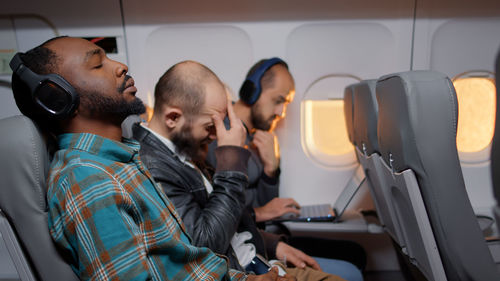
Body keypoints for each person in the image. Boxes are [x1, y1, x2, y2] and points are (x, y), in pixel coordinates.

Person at [11, 36, 292, 281]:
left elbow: (187, 263)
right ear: (57, 98)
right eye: (97, 64)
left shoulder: (125, 162)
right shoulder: (87, 180)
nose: (121, 66)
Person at [134, 60, 362, 281]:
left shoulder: (184, 151)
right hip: (242, 270)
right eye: (209, 127)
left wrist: (273, 244)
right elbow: (206, 245)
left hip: (255, 257)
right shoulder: (155, 167)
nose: (215, 135)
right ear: (173, 118)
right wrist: (232, 159)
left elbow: (232, 223)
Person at [206, 58, 367, 271]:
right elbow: (216, 210)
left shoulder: (259, 138)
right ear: (251, 92)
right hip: (246, 242)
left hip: (265, 233)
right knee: (352, 260)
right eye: (278, 100)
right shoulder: (222, 137)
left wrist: (271, 169)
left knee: (357, 252)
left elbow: (268, 204)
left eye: (285, 104)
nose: (281, 112)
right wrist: (260, 212)